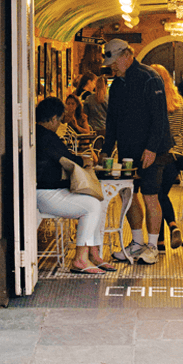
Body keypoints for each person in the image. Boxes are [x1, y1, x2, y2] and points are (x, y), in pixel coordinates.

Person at [100, 39, 173, 265]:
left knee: (150, 195)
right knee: (127, 195)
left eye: (114, 61)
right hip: (128, 149)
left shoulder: (150, 78)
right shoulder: (118, 84)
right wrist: (106, 149)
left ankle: (152, 246)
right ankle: (137, 243)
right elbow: (112, 119)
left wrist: (151, 148)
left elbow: (159, 117)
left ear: (127, 55)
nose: (112, 66)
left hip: (154, 149)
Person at [35, 96, 113, 274]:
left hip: (45, 191)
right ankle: (80, 259)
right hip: (46, 194)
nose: (59, 124)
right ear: (54, 118)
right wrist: (86, 160)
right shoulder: (47, 137)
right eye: (59, 120)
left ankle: (93, 253)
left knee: (96, 201)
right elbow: (69, 159)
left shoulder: (38, 134)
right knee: (92, 205)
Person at [150, 63, 183, 251]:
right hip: (176, 156)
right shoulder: (179, 102)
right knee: (161, 194)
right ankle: (163, 239)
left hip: (160, 154)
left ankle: (169, 228)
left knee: (156, 195)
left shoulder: (155, 101)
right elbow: (179, 131)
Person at [60, 93, 97, 165]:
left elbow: (87, 131)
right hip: (69, 146)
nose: (70, 106)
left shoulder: (82, 117)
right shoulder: (62, 117)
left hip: (83, 145)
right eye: (68, 104)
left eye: (72, 104)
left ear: (77, 105)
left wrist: (77, 126)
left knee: (95, 160)